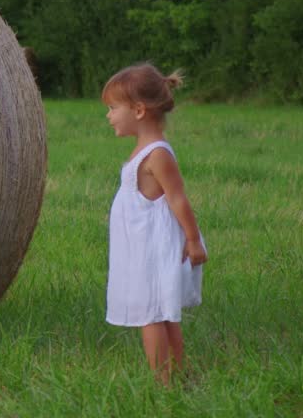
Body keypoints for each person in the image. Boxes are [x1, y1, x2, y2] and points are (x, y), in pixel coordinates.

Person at [102, 62, 207, 384]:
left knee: (151, 316)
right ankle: (180, 372)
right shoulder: (142, 151)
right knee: (162, 313)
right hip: (140, 250)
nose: (108, 115)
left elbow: (178, 199)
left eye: (112, 108)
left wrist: (193, 240)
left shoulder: (157, 155)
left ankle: (163, 382)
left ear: (138, 110)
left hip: (152, 252)